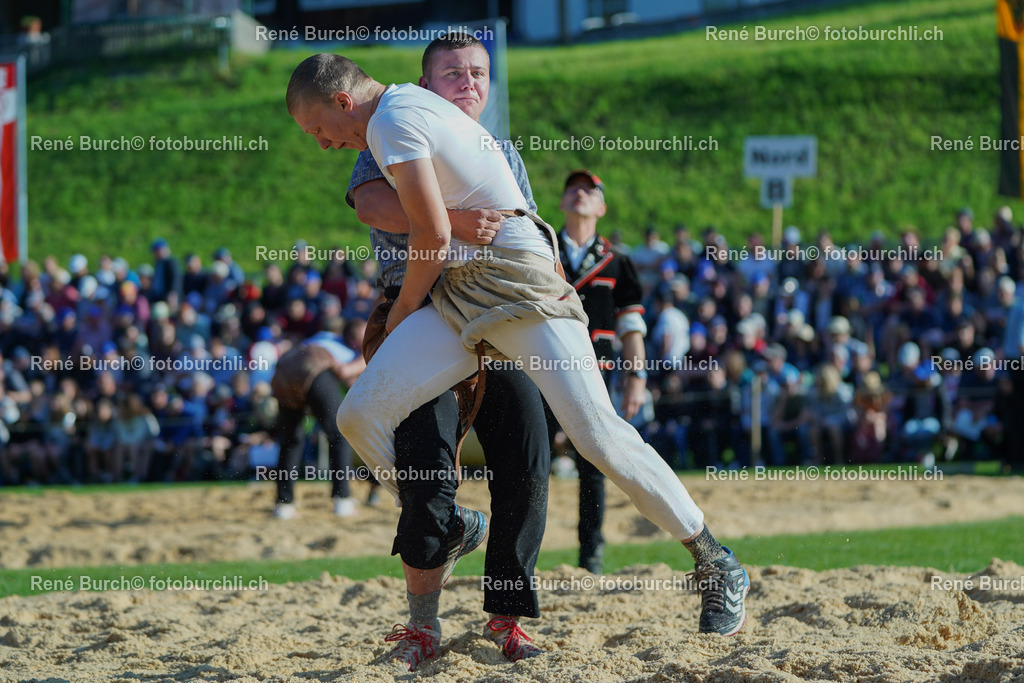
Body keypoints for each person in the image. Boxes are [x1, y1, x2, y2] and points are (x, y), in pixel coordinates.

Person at [287, 52, 749, 668]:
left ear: (342, 102)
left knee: (594, 433)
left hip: (513, 281)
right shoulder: (394, 116)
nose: (322, 145)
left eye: (318, 130)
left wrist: (400, 318)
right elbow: (416, 224)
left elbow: (429, 237)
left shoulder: (394, 116)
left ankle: (716, 560)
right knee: (359, 415)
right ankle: (451, 524)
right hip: (460, 292)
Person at [346, 33, 549, 667]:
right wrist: (451, 222)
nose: (469, 83)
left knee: (525, 460)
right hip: (422, 313)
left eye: (479, 73)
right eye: (453, 73)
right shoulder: (392, 128)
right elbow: (371, 203)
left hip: (497, 314)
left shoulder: (502, 151)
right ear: (426, 86)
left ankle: (506, 618)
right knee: (425, 470)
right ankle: (422, 626)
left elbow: (524, 232)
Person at [547, 169, 648, 574]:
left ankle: (591, 553)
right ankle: (523, 558)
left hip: (597, 370)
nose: (580, 195)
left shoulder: (618, 263)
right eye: (572, 189)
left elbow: (631, 326)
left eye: (589, 191)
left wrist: (637, 376)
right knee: (529, 461)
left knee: (594, 461)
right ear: (561, 202)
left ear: (601, 207)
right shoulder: (540, 250)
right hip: (540, 365)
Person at [269, 318, 370, 518]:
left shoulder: (322, 337)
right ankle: (342, 499)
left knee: (291, 439)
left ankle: (284, 504)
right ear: (352, 338)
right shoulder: (355, 353)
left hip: (284, 368)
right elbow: (346, 374)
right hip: (316, 366)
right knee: (338, 434)